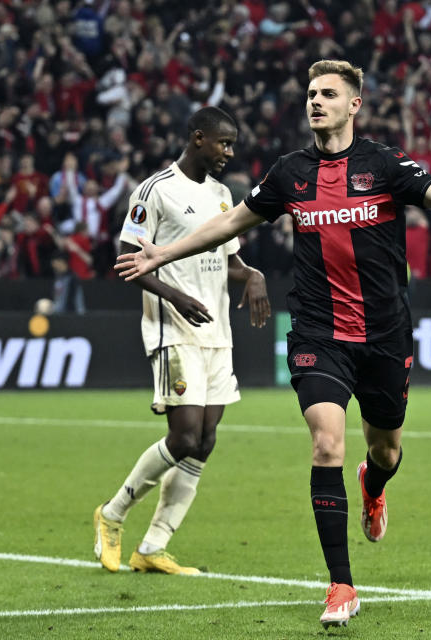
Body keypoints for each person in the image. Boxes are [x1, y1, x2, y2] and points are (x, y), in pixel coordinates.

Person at [115, 60, 431, 629]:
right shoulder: (289, 173)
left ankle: (376, 485)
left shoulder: (384, 164)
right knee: (325, 445)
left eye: (328, 94)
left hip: (385, 335)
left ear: (354, 105)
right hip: (320, 335)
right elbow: (230, 226)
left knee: (385, 450)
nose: (315, 102)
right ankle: (341, 584)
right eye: (311, 93)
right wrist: (161, 254)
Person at [94, 106, 271, 576]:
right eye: (223, 143)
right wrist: (174, 296)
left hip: (216, 332)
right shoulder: (155, 191)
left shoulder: (220, 194)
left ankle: (153, 547)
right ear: (198, 138)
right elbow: (126, 259)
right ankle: (111, 516)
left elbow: (228, 259)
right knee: (185, 435)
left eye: (232, 144)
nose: (229, 153)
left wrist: (251, 274)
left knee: (206, 441)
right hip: (173, 328)